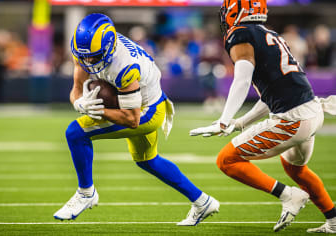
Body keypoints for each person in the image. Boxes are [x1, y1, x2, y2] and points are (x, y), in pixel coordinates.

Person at [53, 13, 219, 226]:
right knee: (148, 161)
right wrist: (79, 103)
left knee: (75, 133)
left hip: (146, 110)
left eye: (93, 57)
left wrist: (98, 111)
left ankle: (86, 193)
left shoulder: (125, 66)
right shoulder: (87, 48)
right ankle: (202, 201)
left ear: (108, 48)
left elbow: (132, 119)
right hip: (141, 102)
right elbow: (76, 89)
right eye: (84, 56)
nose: (88, 61)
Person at [190, 0, 336, 233]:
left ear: (235, 10)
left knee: (226, 160)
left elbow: (242, 80)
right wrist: (240, 123)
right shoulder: (269, 34)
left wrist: (224, 120)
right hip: (312, 110)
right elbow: (270, 95)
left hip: (294, 119)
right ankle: (334, 219)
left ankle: (288, 195)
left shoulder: (240, 33)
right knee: (296, 170)